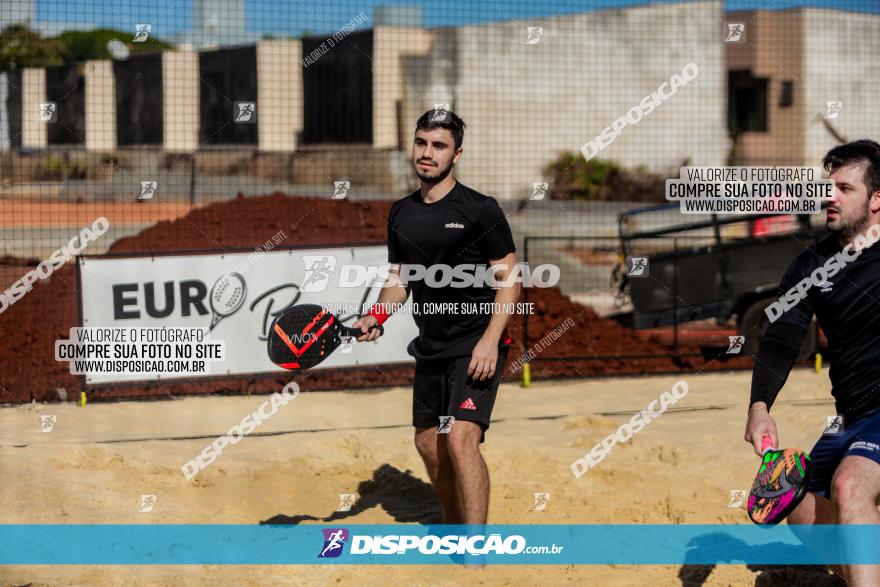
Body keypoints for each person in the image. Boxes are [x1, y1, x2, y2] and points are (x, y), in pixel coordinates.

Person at [352, 109, 520, 526]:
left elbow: (510, 280)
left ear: (456, 154)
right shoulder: (400, 212)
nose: (428, 153)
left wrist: (490, 339)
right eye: (422, 142)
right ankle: (451, 525)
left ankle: (475, 551)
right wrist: (376, 315)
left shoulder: (480, 210)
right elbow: (400, 279)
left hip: (476, 343)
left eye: (439, 146)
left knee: (461, 439)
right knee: (429, 443)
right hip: (431, 346)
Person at [744, 140, 880, 586]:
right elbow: (782, 340)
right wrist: (760, 407)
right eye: (829, 186)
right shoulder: (810, 265)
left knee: (851, 486)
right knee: (796, 505)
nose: (830, 196)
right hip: (851, 417)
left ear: (876, 199)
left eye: (845, 188)